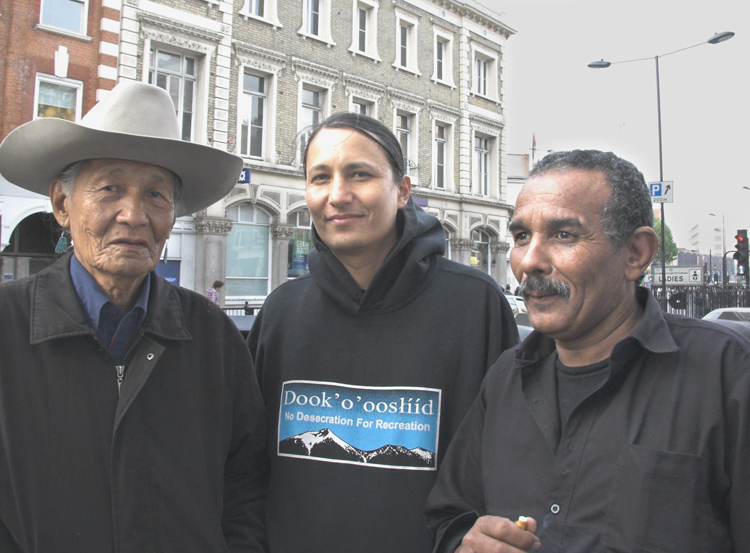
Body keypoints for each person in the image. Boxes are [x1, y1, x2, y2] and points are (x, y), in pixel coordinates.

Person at [0, 82, 269, 552]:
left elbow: (245, 487)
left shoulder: (215, 338)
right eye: (110, 189)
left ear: (172, 216)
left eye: (156, 196)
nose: (133, 214)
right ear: (63, 205)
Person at [425, 150, 750, 553]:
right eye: (521, 236)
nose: (530, 261)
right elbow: (451, 517)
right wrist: (467, 544)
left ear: (636, 254)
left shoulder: (727, 376)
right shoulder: (505, 377)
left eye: (564, 235)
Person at [247, 113, 518, 553]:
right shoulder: (281, 312)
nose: (338, 195)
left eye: (360, 174)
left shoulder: (475, 306)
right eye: (320, 178)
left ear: (402, 191)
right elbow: (246, 467)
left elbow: (509, 461)